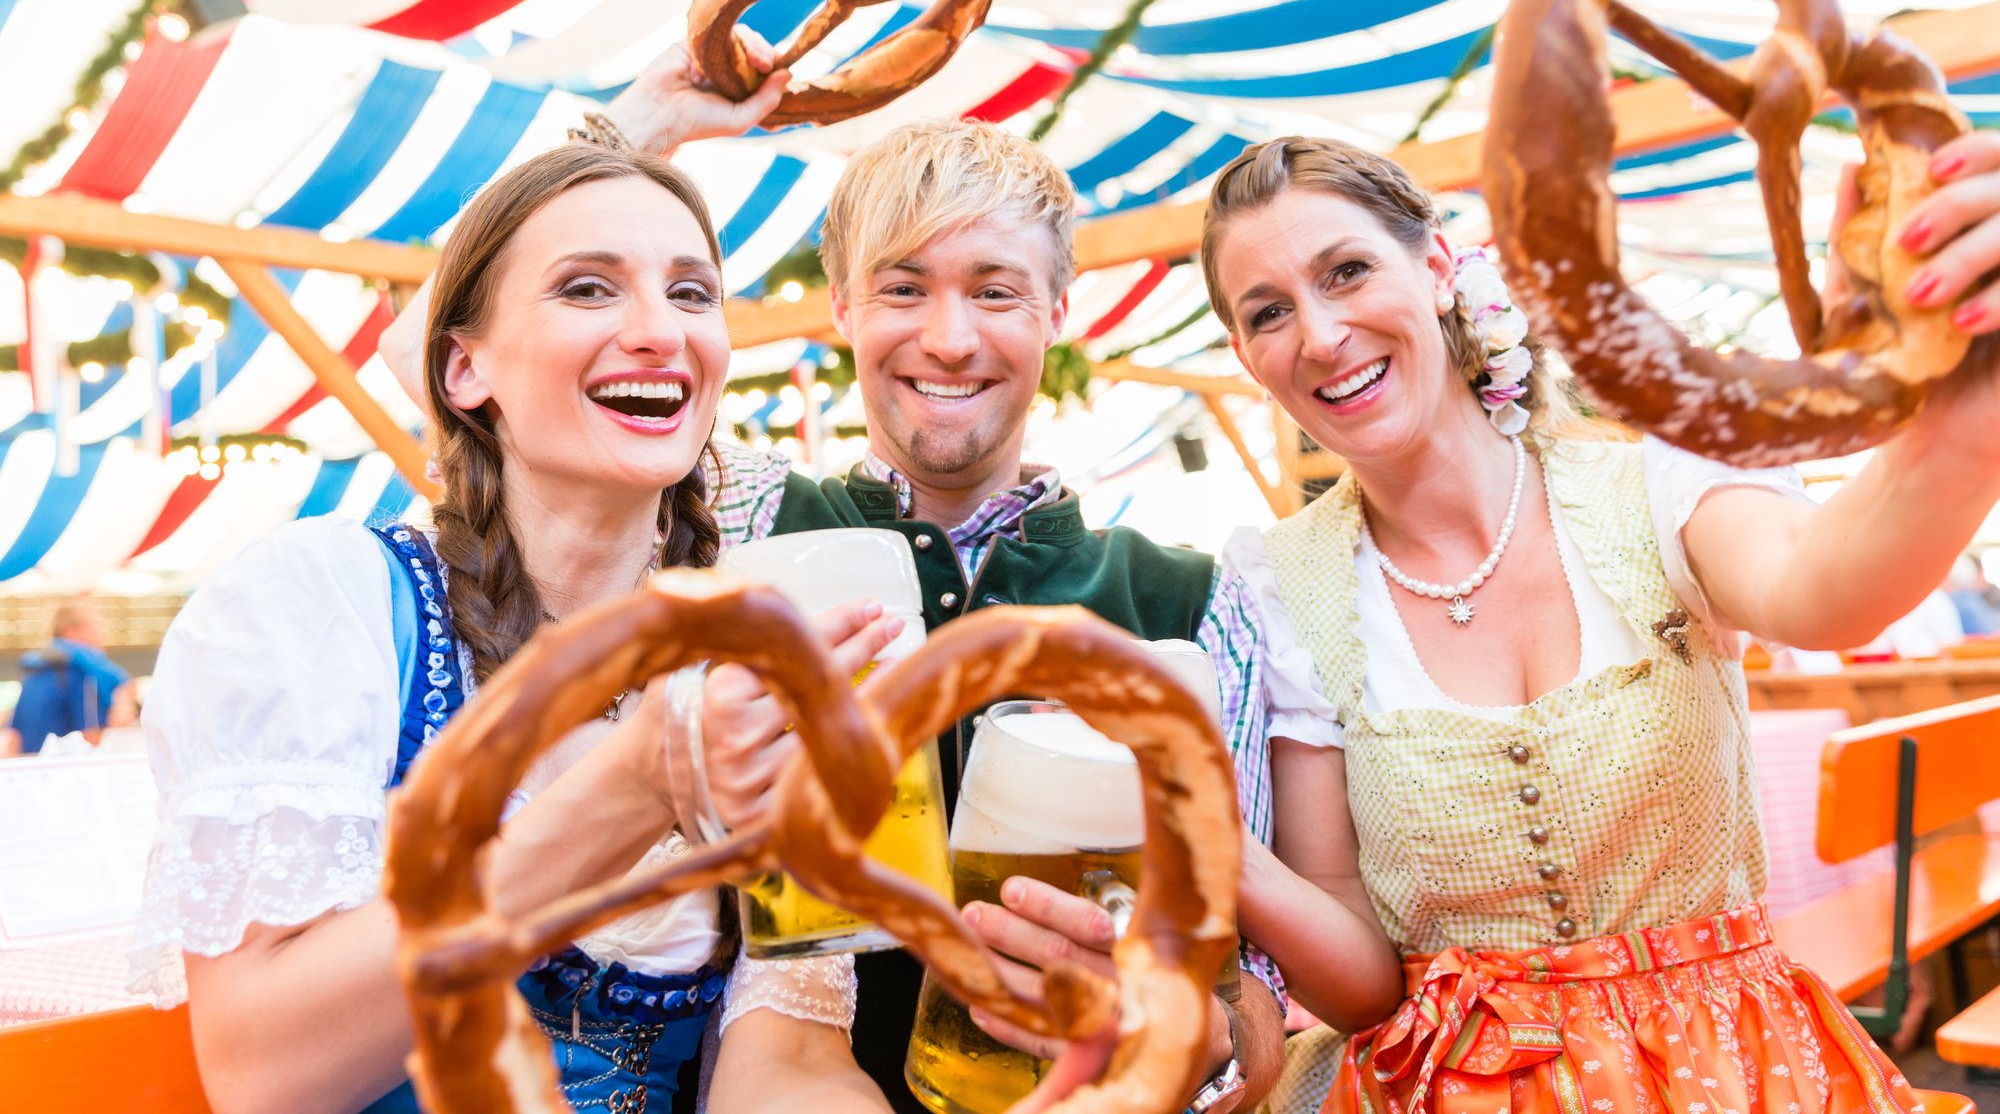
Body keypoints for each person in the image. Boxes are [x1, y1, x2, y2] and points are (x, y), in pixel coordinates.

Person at [383, 71, 1288, 1112]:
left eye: (993, 290)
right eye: (903, 288)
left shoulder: (1194, 604)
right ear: (842, 307)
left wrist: (1190, 1034)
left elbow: (1254, 1011)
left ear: (1055, 312)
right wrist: (644, 129)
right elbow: (448, 348)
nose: (948, 338)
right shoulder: (737, 519)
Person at [1199, 131, 2000, 1114]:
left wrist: (1964, 415)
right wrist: (1212, 844)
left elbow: (1818, 588)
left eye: (1347, 271)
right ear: (1245, 356)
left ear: (1437, 265)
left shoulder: (1651, 465)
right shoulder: (1280, 588)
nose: (1318, 336)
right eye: (1268, 312)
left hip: (1727, 1080)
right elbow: (1361, 987)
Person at [130, 143, 896, 1114]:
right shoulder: (329, 606)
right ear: (461, 368)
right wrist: (638, 781)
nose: (659, 330)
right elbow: (264, 1075)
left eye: (692, 294)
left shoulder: (761, 659)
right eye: (587, 290)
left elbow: (789, 1068)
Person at [10, 597, 133, 754]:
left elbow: (14, 738)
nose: (102, 637)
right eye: (94, 629)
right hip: (69, 772)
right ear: (70, 631)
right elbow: (91, 736)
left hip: (33, 770)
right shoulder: (83, 673)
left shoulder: (33, 671)